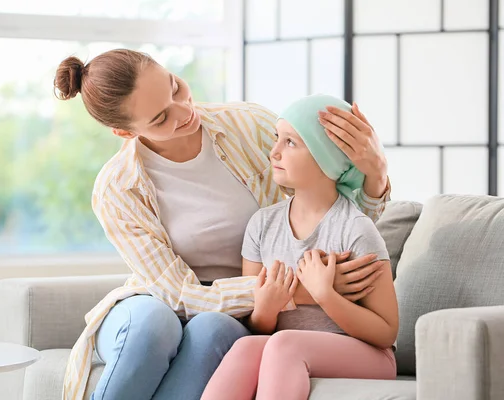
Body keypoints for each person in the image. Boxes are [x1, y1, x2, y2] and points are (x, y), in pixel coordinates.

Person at [53, 49, 392, 400]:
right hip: (158, 301)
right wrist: (295, 289)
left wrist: (375, 173)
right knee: (152, 327)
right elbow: (180, 295)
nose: (185, 112)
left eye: (176, 88)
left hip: (246, 307)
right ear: (125, 132)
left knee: (212, 329)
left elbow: (333, 217)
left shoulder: (252, 126)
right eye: (160, 118)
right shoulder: (117, 188)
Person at [201, 94, 398, 400]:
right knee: (245, 346)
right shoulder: (262, 225)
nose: (274, 152)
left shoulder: (356, 227)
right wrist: (265, 308)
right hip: (293, 347)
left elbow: (386, 332)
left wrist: (325, 295)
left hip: (371, 355)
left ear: (327, 157)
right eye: (276, 139)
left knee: (285, 344)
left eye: (290, 142)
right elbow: (258, 326)